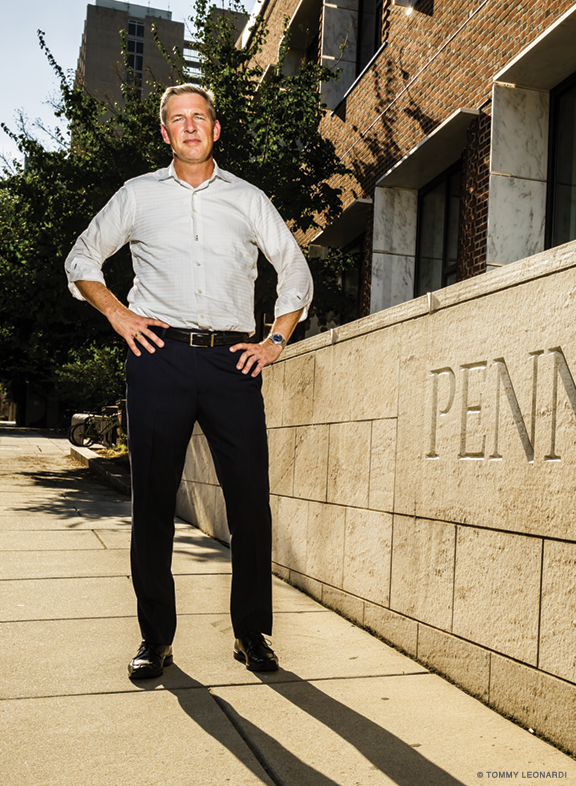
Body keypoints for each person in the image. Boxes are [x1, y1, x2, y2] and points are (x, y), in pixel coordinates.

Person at [64, 83, 313, 679]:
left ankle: (251, 633)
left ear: (216, 129)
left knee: (250, 502)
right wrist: (119, 314)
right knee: (151, 501)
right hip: (160, 358)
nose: (190, 126)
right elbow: (81, 261)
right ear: (165, 134)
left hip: (232, 362)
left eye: (199, 117)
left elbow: (294, 270)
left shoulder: (249, 199)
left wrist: (275, 340)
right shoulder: (137, 196)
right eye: (178, 119)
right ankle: (156, 639)